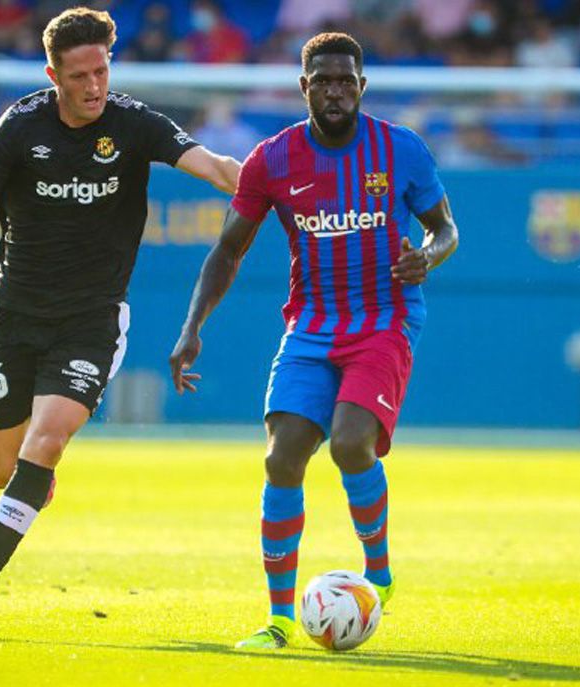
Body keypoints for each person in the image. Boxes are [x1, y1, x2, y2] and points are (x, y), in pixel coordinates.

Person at [0, 6, 240, 639]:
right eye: (79, 75)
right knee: (3, 469)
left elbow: (214, 167)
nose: (94, 85)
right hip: (15, 313)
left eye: (101, 70)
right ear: (54, 74)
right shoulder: (17, 130)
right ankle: (33, 486)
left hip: (91, 318)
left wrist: (286, 189)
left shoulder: (133, 124)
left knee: (45, 442)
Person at [169, 32, 458, 649]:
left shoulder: (400, 149)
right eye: (323, 81)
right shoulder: (270, 160)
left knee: (352, 445)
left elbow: (445, 230)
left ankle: (377, 571)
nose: (335, 91)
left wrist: (426, 259)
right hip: (311, 326)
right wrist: (193, 328)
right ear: (304, 87)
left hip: (384, 321)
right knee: (281, 458)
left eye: (346, 81)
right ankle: (277, 621)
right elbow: (227, 250)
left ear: (361, 86)